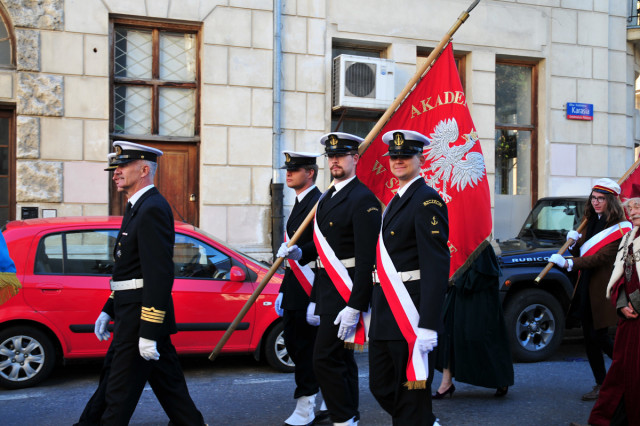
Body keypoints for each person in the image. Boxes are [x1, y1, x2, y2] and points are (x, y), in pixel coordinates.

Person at [75, 141, 205, 426]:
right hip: (129, 310)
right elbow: (128, 269)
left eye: (122, 167)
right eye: (115, 168)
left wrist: (148, 329)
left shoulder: (152, 208)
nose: (115, 173)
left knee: (118, 391)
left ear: (144, 169)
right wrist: (109, 308)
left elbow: (158, 275)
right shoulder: (137, 206)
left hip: (139, 317)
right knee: (164, 382)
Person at [280, 132, 381, 426]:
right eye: (331, 156)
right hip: (326, 290)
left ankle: (342, 416)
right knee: (341, 359)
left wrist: (356, 304)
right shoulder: (327, 198)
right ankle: (349, 415)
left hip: (347, 289)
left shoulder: (363, 199)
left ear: (355, 159)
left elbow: (366, 260)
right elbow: (321, 250)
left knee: (323, 358)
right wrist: (299, 253)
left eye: (341, 155)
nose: (335, 161)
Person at [368, 130, 449, 426]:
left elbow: (436, 266)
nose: (398, 161)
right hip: (385, 312)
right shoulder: (397, 200)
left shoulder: (427, 200)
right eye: (394, 156)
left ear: (421, 158)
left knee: (411, 391)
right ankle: (423, 420)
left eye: (405, 156)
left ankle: (419, 419)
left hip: (410, 312)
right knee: (380, 385)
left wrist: (428, 324)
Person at [549, 178, 631, 401]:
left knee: (600, 336)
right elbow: (582, 254)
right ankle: (601, 384)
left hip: (603, 290)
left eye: (601, 199)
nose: (596, 202)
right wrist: (574, 244)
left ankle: (628, 374)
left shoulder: (621, 228)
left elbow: (601, 258)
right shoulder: (591, 221)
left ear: (611, 201)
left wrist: (568, 264)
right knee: (590, 338)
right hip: (585, 287)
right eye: (593, 198)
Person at [274, 151, 323, 426]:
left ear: (311, 173)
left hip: (313, 287)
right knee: (295, 343)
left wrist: (299, 252)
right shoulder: (299, 203)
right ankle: (323, 394)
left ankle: (307, 405)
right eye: (288, 170)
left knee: (307, 347)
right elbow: (289, 252)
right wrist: (282, 287)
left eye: (296, 169)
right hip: (295, 286)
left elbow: (325, 245)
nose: (289, 173)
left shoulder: (319, 202)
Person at [433, 243, 513, 399]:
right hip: (457, 297)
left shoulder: (482, 244)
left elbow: (484, 276)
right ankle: (446, 382)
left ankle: (500, 378)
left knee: (481, 340)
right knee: (446, 335)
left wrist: (456, 279)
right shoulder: (456, 241)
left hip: (478, 301)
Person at [586, 195, 640, 425]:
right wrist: (621, 303)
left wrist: (635, 303)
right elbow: (620, 276)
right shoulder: (629, 236)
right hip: (629, 317)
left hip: (637, 312)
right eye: (630, 206)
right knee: (621, 371)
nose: (632, 210)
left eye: (638, 205)